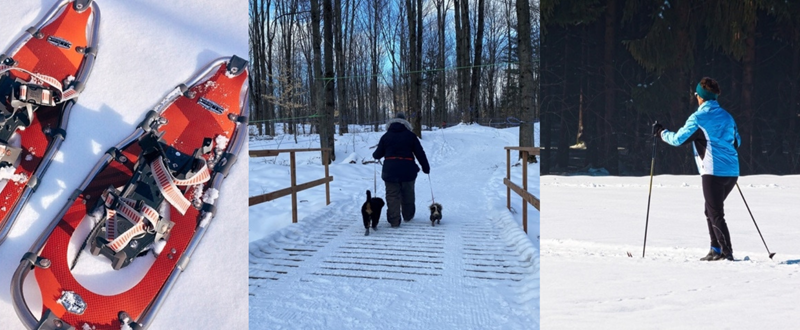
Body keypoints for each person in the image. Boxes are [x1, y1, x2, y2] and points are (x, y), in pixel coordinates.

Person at [653, 77, 741, 261]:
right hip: (732, 173)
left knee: (715, 212)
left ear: (700, 97)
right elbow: (737, 141)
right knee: (710, 209)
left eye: (696, 95)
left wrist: (661, 133)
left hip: (712, 172)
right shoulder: (727, 116)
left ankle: (726, 253)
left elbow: (677, 139)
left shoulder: (698, 118)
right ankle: (715, 249)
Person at [373, 112, 430, 227]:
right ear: (405, 123)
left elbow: (377, 155)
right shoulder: (411, 136)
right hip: (408, 169)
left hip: (390, 170)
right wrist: (425, 167)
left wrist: (376, 154)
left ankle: (394, 220)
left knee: (392, 195)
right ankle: (408, 215)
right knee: (408, 193)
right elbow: (420, 153)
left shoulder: (386, 136)